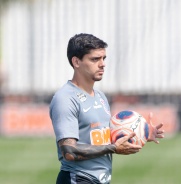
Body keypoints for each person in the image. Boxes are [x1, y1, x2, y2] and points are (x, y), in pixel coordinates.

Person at [49, 33, 164, 184]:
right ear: (76, 62)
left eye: (103, 58)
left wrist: (139, 132)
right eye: (95, 59)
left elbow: (100, 137)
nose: (102, 64)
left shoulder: (100, 97)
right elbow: (69, 152)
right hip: (77, 179)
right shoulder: (65, 98)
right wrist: (112, 148)